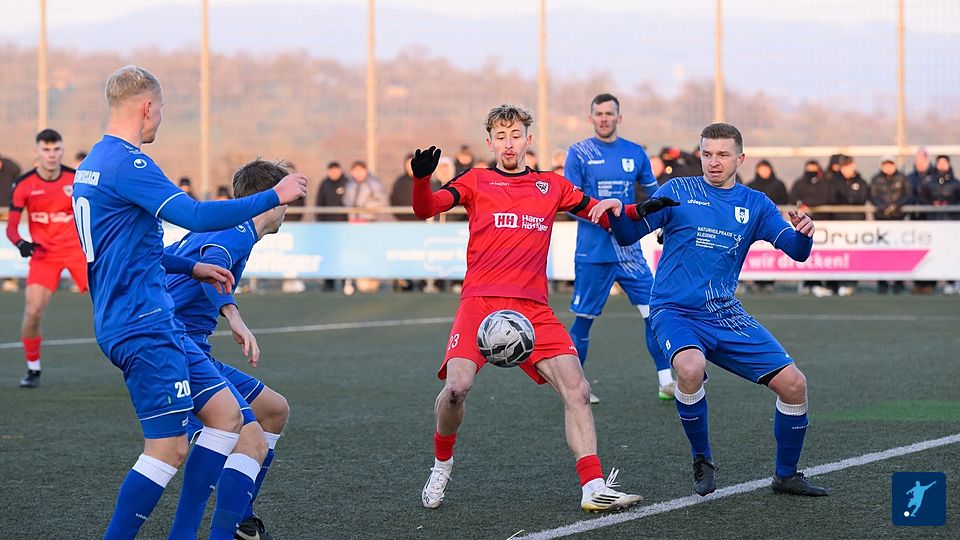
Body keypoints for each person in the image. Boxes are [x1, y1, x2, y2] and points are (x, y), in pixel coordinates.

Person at [72, 65, 306, 539]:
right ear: (147, 107)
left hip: (144, 318)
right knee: (169, 448)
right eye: (161, 109)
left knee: (226, 418)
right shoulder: (128, 164)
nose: (160, 118)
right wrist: (273, 195)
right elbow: (195, 216)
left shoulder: (93, 163)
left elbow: (133, 247)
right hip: (142, 322)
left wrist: (190, 267)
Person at [411, 103, 658, 513]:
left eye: (516, 136)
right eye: (500, 137)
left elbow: (602, 214)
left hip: (533, 309)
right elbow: (426, 208)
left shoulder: (552, 185)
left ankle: (593, 486)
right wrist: (421, 180)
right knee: (456, 390)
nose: (509, 144)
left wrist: (639, 212)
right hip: (480, 303)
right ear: (490, 142)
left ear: (529, 140)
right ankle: (442, 464)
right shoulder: (475, 180)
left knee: (578, 389)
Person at [593, 122, 828, 498]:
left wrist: (804, 233)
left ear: (740, 158)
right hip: (674, 310)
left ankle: (786, 476)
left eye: (722, 154)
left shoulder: (755, 204)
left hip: (724, 312)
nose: (713, 162)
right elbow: (627, 234)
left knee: (794, 385)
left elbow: (796, 252)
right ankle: (701, 458)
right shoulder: (677, 191)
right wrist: (618, 214)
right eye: (706, 154)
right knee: (689, 368)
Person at [165, 158, 292, 540]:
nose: (287, 207)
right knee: (248, 440)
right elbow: (214, 262)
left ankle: (241, 520)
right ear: (270, 201)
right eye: (284, 198)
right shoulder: (236, 230)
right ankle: (225, 529)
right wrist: (232, 314)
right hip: (175, 349)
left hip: (190, 347)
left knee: (274, 410)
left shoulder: (230, 226)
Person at [563, 93, 672, 403]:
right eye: (598, 113)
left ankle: (666, 381)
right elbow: (569, 201)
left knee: (655, 313)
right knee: (584, 320)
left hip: (629, 251)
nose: (604, 118)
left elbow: (654, 195)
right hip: (593, 253)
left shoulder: (635, 153)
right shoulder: (579, 153)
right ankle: (576, 389)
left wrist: (664, 221)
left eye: (609, 113)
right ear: (590, 118)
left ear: (619, 118)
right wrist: (604, 218)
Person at [6, 129, 86, 388]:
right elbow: (11, 228)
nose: (51, 155)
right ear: (37, 152)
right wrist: (20, 243)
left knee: (112, 303)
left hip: (77, 252)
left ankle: (135, 361)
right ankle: (33, 369)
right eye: (46, 150)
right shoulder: (24, 184)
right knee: (32, 312)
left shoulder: (76, 179)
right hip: (44, 255)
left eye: (56, 149)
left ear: (62, 150)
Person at [746, 159, 789, 293]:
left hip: (772, 222)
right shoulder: (751, 185)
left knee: (772, 250)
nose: (764, 172)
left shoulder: (779, 184)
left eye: (766, 169)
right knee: (754, 252)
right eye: (762, 169)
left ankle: (769, 281)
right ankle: (756, 280)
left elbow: (785, 200)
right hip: (755, 222)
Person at [869, 156, 910, 294]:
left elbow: (908, 195)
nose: (888, 167)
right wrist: (883, 207)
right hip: (881, 220)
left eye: (890, 164)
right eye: (885, 164)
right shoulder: (876, 179)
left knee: (898, 253)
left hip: (898, 220)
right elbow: (872, 196)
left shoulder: (902, 178)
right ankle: (882, 283)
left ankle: (899, 282)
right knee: (881, 254)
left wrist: (895, 206)